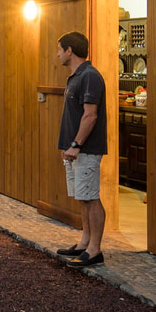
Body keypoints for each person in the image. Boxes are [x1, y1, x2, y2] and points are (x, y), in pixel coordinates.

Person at [53, 30, 107, 267]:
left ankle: (95, 250)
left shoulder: (90, 76)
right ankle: (85, 241)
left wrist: (76, 145)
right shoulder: (76, 76)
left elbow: (90, 115)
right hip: (74, 150)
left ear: (69, 50)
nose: (57, 54)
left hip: (86, 149)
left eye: (59, 49)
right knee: (83, 198)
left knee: (91, 197)